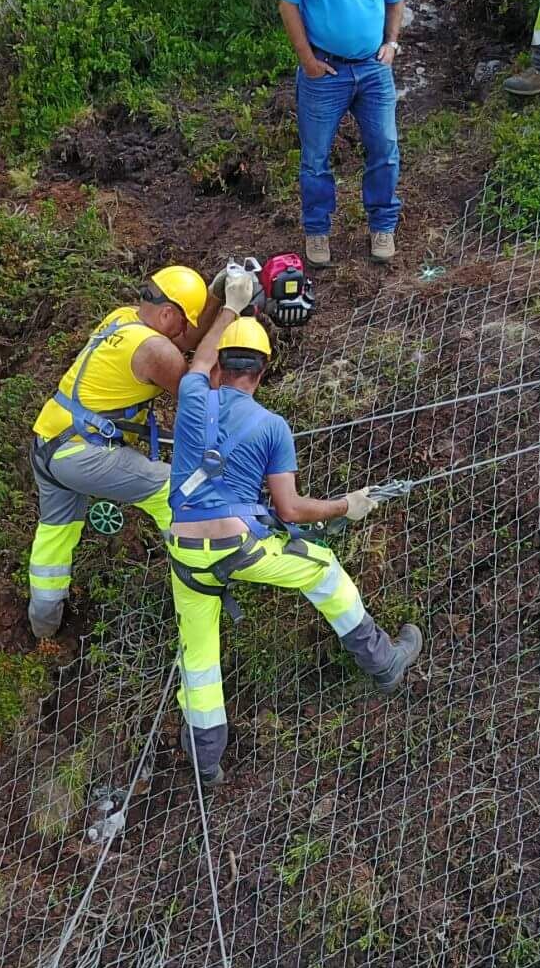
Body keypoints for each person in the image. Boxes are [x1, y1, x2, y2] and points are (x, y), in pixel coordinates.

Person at [163, 283, 423, 783]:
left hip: (184, 552)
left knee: (198, 651)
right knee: (322, 569)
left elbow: (197, 362)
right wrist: (349, 504)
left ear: (220, 365)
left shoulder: (193, 396)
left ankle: (206, 757)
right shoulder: (272, 426)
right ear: (261, 372)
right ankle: (383, 662)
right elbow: (291, 508)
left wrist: (232, 307)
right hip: (240, 547)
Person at [24, 265, 212, 641]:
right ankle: (201, 587)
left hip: (49, 441)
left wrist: (220, 300)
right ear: (167, 314)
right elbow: (198, 393)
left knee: (55, 536)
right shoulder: (156, 350)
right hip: (83, 453)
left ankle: (43, 630)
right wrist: (226, 319)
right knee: (172, 492)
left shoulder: (122, 319)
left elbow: (187, 341)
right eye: (182, 323)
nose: (182, 334)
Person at [269, 0, 407, 267]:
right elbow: (287, 3)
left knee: (385, 147)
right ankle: (317, 232)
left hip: (373, 67)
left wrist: (392, 43)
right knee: (315, 157)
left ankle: (383, 225)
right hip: (324, 71)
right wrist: (307, 61)